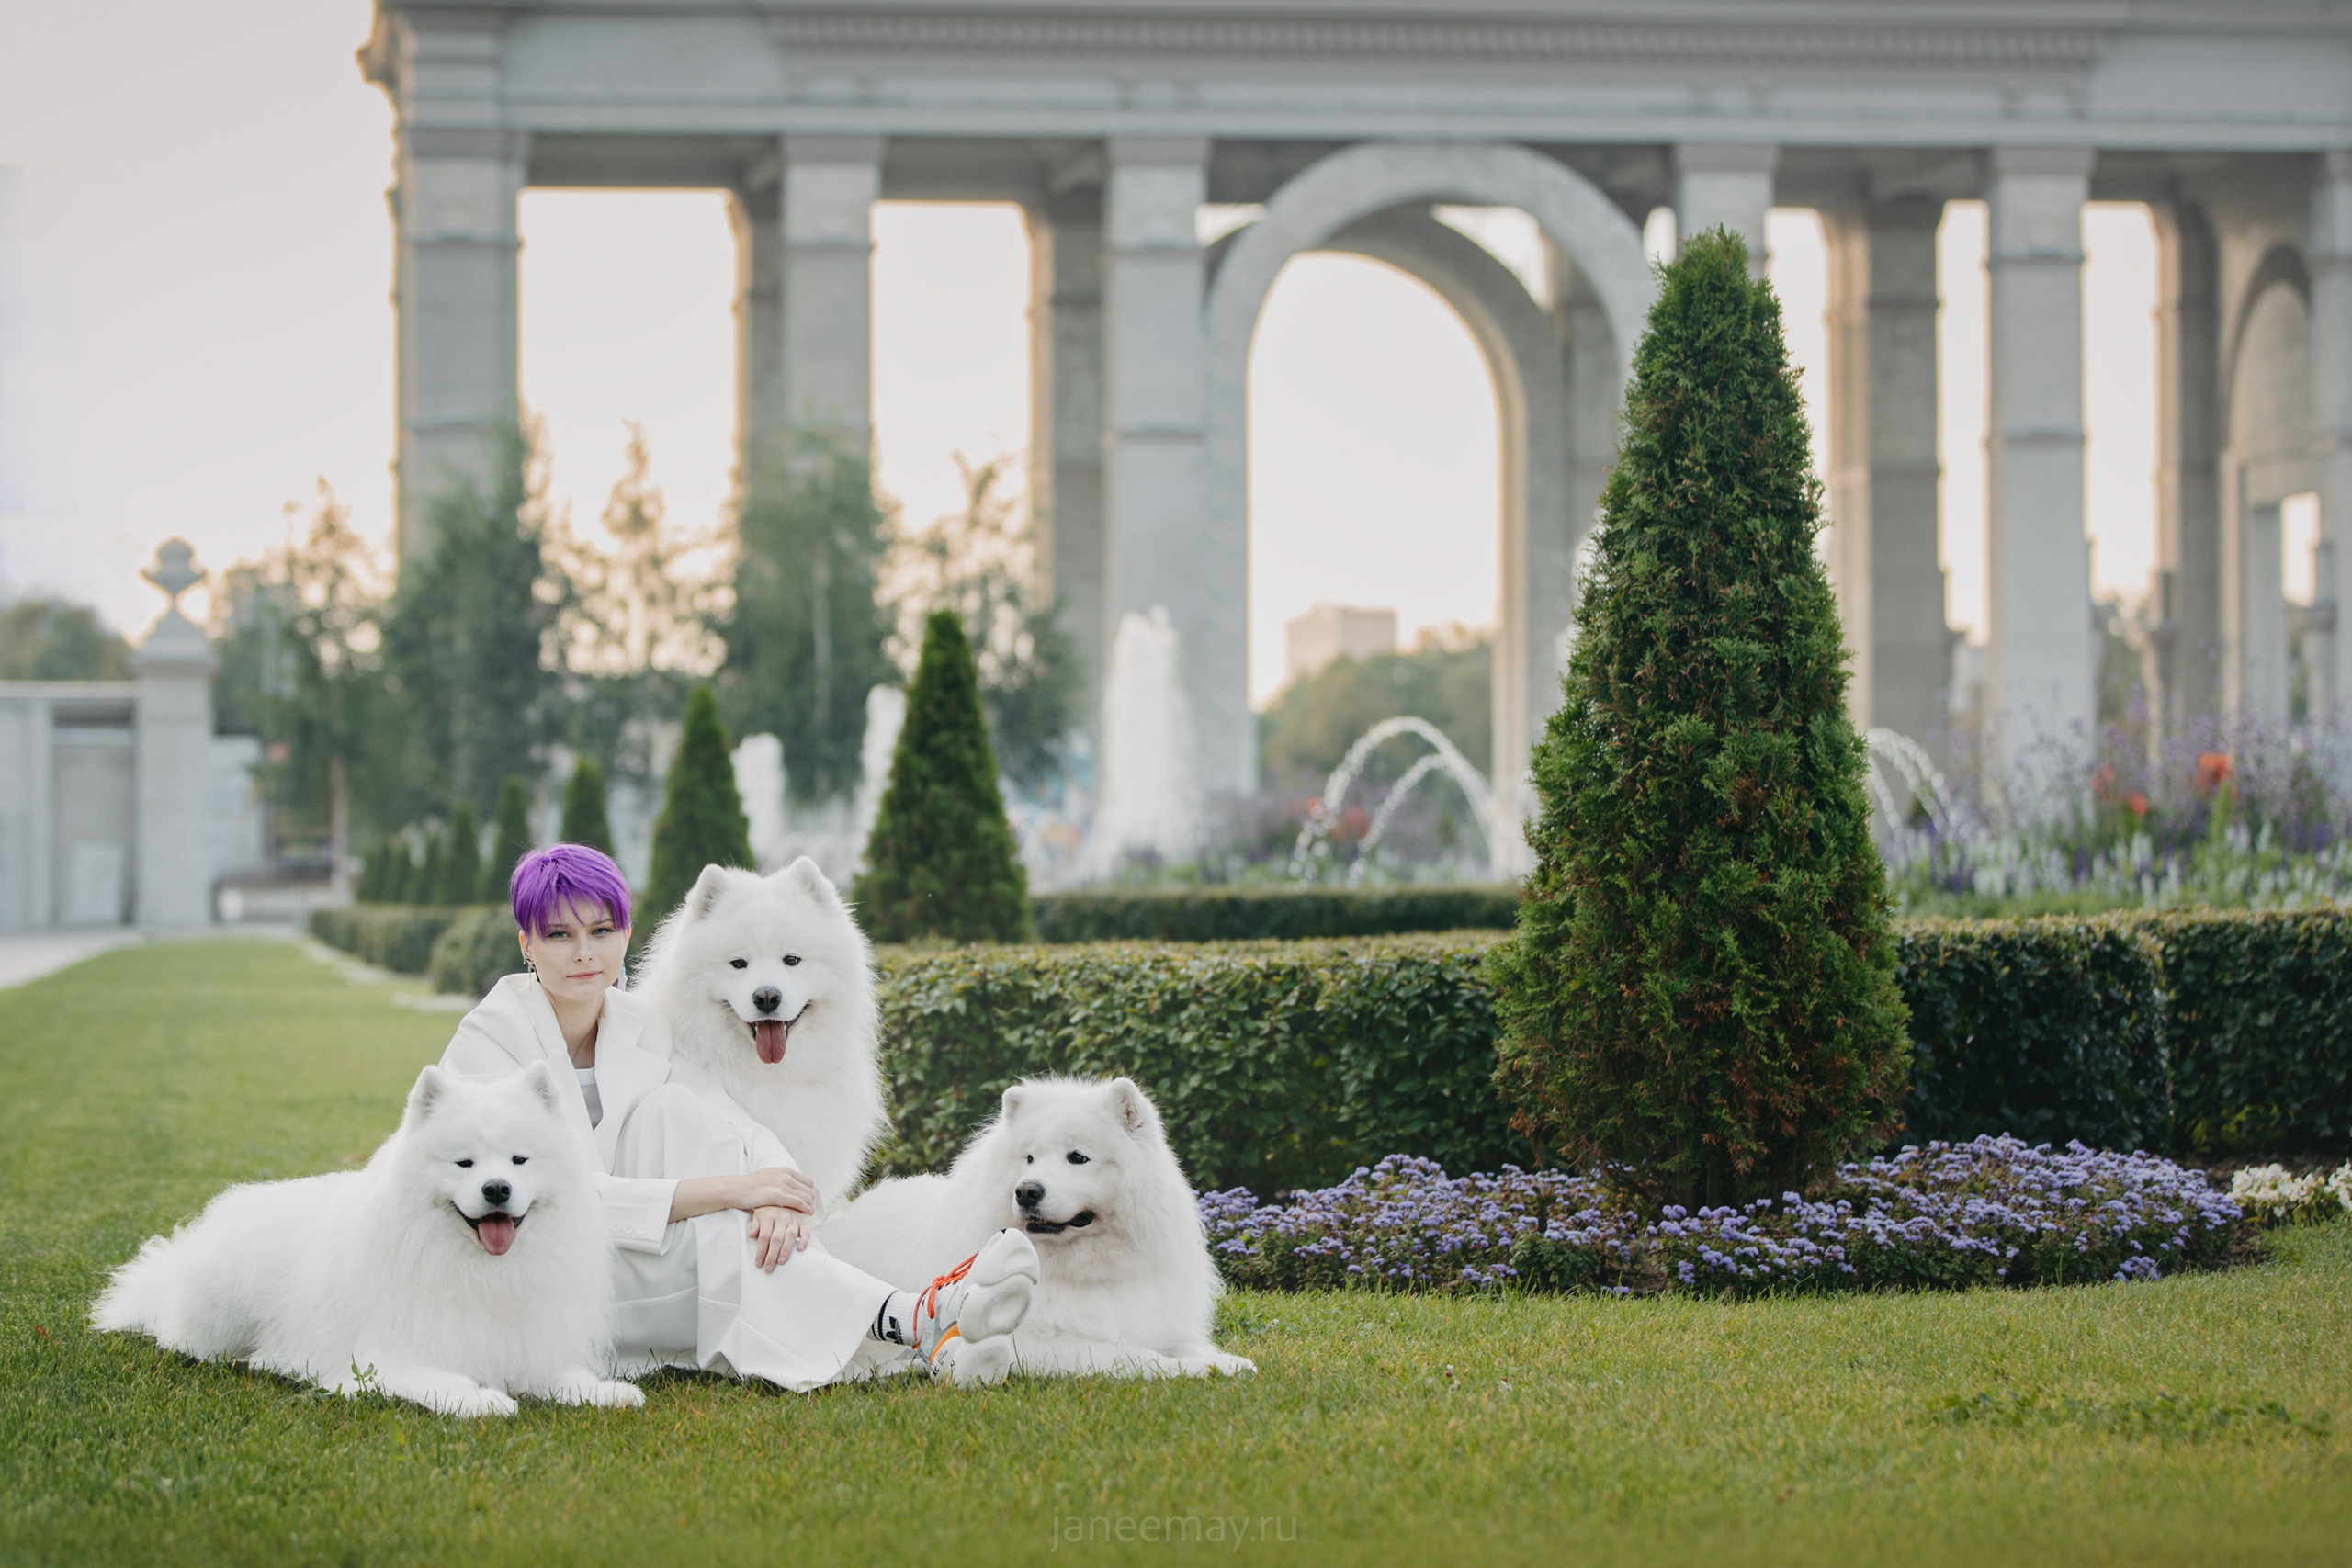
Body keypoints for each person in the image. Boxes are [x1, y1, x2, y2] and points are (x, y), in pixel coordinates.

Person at [438, 843, 1038, 1390]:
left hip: (625, 1261)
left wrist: (774, 1188)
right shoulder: (491, 1041)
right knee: (725, 1233)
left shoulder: (641, 1027)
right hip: (530, 1278)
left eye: (601, 929)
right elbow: (554, 1196)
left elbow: (724, 1118)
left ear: (626, 934)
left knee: (710, 1177)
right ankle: (923, 1315)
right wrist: (731, 1189)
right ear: (526, 943)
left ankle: (926, 1341)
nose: (584, 952)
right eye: (560, 934)